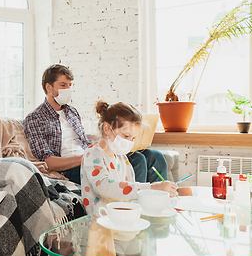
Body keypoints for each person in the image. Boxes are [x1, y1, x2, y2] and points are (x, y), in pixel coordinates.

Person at [82, 100, 185, 256]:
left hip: (128, 233)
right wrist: (151, 187)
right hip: (104, 237)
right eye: (126, 135)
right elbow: (104, 186)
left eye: (133, 138)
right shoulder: (92, 154)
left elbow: (131, 195)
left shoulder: (123, 160)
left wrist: (161, 199)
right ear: (107, 128)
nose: (129, 142)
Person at [23, 64, 168, 184]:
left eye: (69, 85)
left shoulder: (72, 112)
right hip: (71, 169)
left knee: (154, 156)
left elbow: (84, 142)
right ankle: (134, 206)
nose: (68, 89)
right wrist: (87, 156)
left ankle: (160, 203)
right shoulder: (34, 118)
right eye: (63, 85)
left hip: (91, 156)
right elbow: (47, 162)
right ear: (49, 88)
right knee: (137, 159)